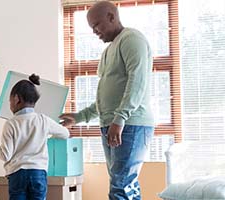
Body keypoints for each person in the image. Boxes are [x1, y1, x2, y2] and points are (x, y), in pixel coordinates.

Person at [59, 1, 155, 200]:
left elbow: (137, 83)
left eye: (97, 25)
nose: (94, 31)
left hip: (130, 124)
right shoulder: (108, 51)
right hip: (114, 124)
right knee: (123, 184)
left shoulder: (132, 39)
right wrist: (79, 117)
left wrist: (119, 120)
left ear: (112, 17)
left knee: (121, 185)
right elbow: (105, 100)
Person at [0, 74, 69, 200]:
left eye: (9, 101)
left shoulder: (11, 123)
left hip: (17, 175)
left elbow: (5, 155)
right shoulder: (43, 120)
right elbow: (65, 134)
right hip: (38, 174)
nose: (10, 105)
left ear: (16, 99)